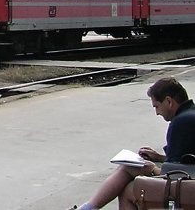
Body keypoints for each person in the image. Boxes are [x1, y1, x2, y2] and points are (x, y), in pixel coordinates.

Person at [70, 77, 195, 210]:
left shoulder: (180, 123)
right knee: (129, 183)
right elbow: (185, 160)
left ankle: (87, 208)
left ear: (169, 101)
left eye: (157, 106)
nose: (157, 112)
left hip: (189, 188)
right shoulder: (190, 114)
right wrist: (159, 157)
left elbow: (175, 174)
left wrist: (152, 169)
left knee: (128, 176)